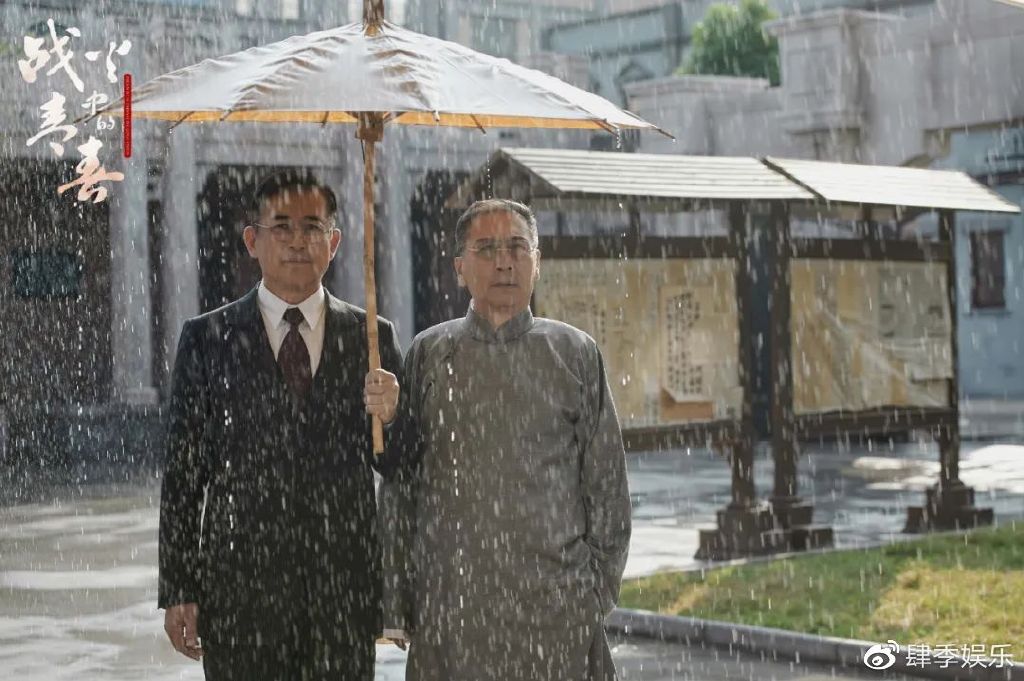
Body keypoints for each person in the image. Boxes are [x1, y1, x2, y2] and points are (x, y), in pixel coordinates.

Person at [159, 170, 402, 681]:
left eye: (313, 227)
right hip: (240, 595)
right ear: (252, 240)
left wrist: (393, 415)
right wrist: (179, 587)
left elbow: (397, 465)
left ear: (334, 242)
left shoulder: (371, 339)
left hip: (340, 595)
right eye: (282, 226)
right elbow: (184, 477)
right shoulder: (208, 339)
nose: (297, 241)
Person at [382, 199, 632, 680]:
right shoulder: (429, 352)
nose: (504, 262)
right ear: (459, 267)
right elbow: (401, 480)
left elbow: (607, 485)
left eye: (517, 247)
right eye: (487, 249)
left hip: (556, 606)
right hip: (452, 607)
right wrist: (398, 595)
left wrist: (594, 592)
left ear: (537, 262)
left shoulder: (574, 353)